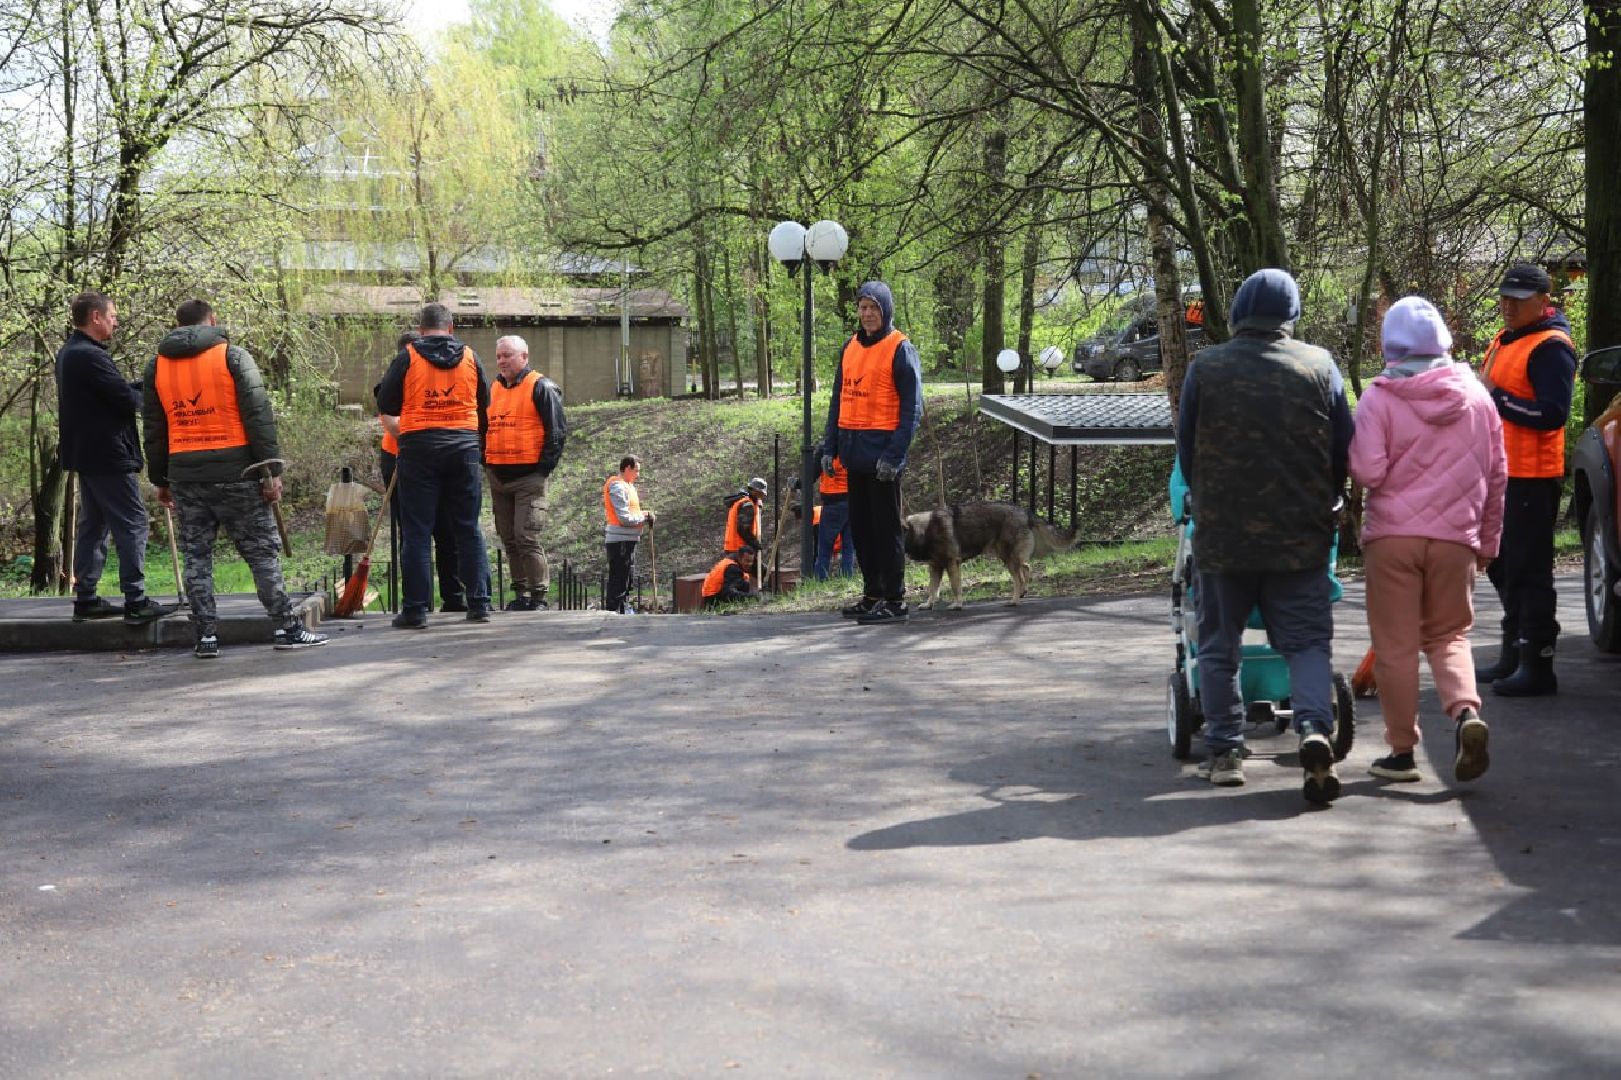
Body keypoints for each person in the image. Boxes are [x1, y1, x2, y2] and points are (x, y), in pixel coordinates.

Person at [1176, 268, 1354, 802]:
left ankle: (1227, 750)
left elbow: (1187, 448)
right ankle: (1314, 730)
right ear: (1290, 317)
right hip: (1300, 536)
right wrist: (1330, 493)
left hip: (1223, 537)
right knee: (1304, 643)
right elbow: (1344, 445)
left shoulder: (1205, 367)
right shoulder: (1320, 366)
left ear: (1237, 314)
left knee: (1218, 644)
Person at [1350, 297, 1504, 784]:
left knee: (1395, 646)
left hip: (1393, 538)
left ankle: (1401, 754)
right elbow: (1498, 475)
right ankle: (1465, 715)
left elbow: (1368, 470)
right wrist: (1487, 543)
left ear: (1389, 344)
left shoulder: (1380, 397)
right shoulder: (1479, 398)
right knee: (1448, 635)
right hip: (1455, 538)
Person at [143, 299, 327, 657]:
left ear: (177, 325)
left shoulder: (157, 366)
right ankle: (286, 628)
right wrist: (271, 470)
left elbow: (154, 426)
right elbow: (258, 416)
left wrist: (160, 478)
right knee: (261, 554)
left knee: (197, 556)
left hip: (185, 476)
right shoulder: (233, 357)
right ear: (212, 320)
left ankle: (206, 637)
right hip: (238, 473)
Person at [1477, 261, 1577, 697]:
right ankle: (1513, 650)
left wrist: (1496, 400)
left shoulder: (1552, 347)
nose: (1508, 307)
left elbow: (1552, 414)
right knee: (1500, 564)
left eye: (1518, 300)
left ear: (1543, 300)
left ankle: (1537, 662)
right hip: (1500, 472)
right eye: (1504, 298)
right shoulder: (1507, 338)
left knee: (1528, 570)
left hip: (1532, 477)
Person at [56, 291, 172, 625]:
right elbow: (124, 400)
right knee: (132, 522)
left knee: (94, 524)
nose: (116, 321)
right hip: (107, 453)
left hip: (88, 453)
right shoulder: (88, 356)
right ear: (95, 317)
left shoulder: (71, 352)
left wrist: (143, 385)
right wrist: (151, 389)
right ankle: (136, 601)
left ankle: (87, 599)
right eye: (112, 315)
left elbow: (112, 391)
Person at [375, 304, 492, 629]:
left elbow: (386, 402)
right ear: (450, 328)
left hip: (419, 448)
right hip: (463, 449)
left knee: (417, 531)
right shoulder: (470, 356)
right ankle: (479, 603)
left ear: (422, 329)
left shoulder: (408, 356)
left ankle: (415, 610)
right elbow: (485, 401)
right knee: (468, 528)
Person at [820, 280, 923, 624]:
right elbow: (839, 401)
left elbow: (912, 408)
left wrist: (894, 456)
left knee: (886, 530)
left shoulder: (899, 348)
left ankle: (895, 599)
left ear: (885, 310)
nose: (867, 314)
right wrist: (829, 446)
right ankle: (872, 593)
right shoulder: (849, 347)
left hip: (883, 460)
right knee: (862, 531)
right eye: (863, 307)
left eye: (873, 308)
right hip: (854, 456)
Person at [376, 330, 465, 614]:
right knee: (414, 534)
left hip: (438, 457)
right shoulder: (389, 384)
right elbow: (393, 423)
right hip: (400, 458)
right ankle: (419, 600)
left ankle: (454, 596)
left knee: (447, 531)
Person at [485, 334, 567, 611]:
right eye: (499, 356)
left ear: (524, 356)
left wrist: (542, 469)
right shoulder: (492, 389)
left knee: (526, 537)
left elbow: (556, 432)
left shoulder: (541, 387)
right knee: (509, 538)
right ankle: (520, 594)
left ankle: (539, 596)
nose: (502, 361)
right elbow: (481, 428)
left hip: (529, 478)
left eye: (508, 355)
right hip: (498, 477)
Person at [603, 455, 655, 613]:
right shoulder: (618, 487)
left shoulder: (627, 485)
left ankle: (622, 608)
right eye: (636, 471)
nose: (638, 475)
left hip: (627, 540)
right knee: (619, 580)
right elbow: (624, 518)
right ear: (627, 468)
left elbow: (631, 512)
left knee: (626, 579)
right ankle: (615, 612)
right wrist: (644, 517)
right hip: (620, 541)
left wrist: (644, 513)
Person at [814, 454, 856, 579]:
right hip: (852, 500)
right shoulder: (853, 444)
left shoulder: (826, 450)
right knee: (848, 545)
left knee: (825, 545)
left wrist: (799, 483)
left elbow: (812, 472)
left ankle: (821, 578)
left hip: (833, 501)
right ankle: (847, 576)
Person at [723, 477, 767, 556]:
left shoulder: (743, 501)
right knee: (758, 568)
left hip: (734, 547)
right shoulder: (747, 505)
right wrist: (754, 543)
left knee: (760, 568)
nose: (762, 496)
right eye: (761, 493)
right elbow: (743, 529)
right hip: (740, 549)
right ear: (754, 491)